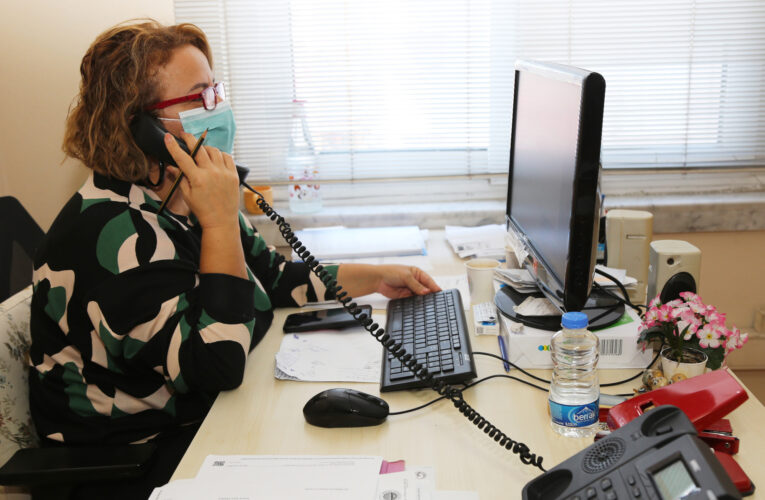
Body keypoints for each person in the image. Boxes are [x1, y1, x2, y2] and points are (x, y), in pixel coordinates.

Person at [28, 19, 441, 498]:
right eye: (199, 97)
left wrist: (377, 277)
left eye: (216, 91)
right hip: (138, 464)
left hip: (206, 423)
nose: (218, 109)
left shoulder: (182, 192)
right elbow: (215, 365)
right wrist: (221, 222)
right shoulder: (108, 235)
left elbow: (273, 276)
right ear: (139, 126)